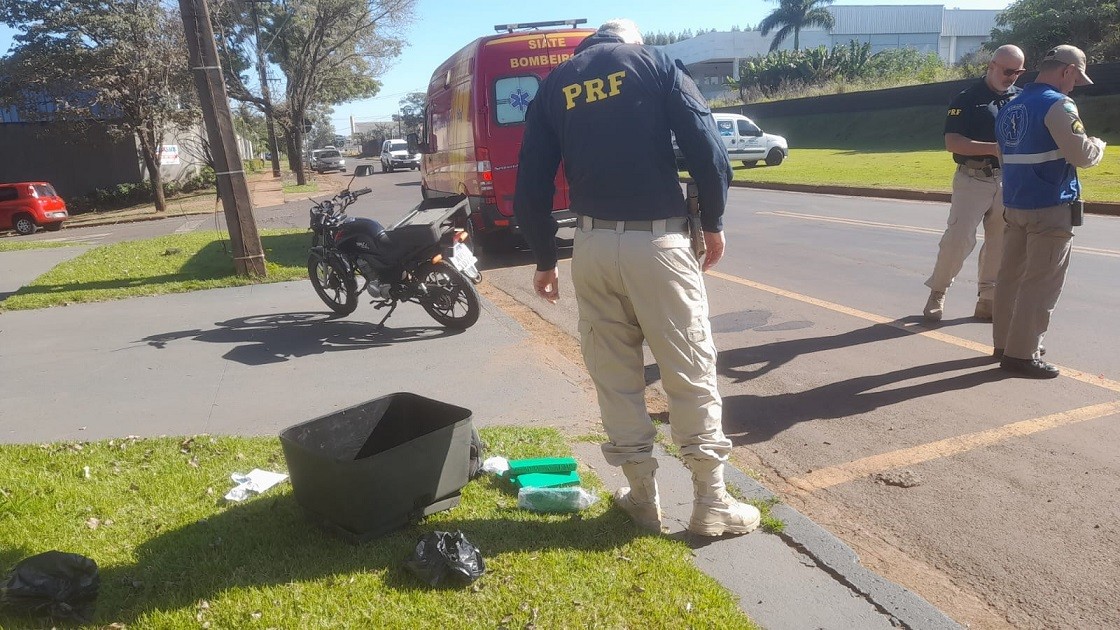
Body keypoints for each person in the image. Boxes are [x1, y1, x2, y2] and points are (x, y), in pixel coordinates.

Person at [512, 19, 759, 536]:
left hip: (591, 246)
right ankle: (711, 500)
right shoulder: (657, 64)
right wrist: (712, 221)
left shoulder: (555, 85)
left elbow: (530, 182)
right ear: (632, 41)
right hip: (659, 242)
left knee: (614, 372)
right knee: (689, 366)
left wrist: (543, 258)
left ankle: (643, 498)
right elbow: (707, 149)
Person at [993, 45, 1106, 378]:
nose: (1073, 87)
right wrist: (1098, 146)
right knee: (1040, 282)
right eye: (1075, 79)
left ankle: (1004, 343)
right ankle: (1021, 353)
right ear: (1067, 71)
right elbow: (1081, 155)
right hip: (1050, 203)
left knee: (1010, 277)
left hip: (1015, 203)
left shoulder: (1010, 106)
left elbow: (1004, 156)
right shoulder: (1058, 104)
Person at [923, 45, 1026, 322]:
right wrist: (995, 148)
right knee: (958, 239)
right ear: (992, 65)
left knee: (999, 242)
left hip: (1006, 180)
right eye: (1008, 71)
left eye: (1018, 72)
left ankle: (987, 299)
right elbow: (952, 142)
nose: (1012, 77)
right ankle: (938, 292)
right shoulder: (966, 98)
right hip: (972, 178)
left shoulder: (1021, 98)